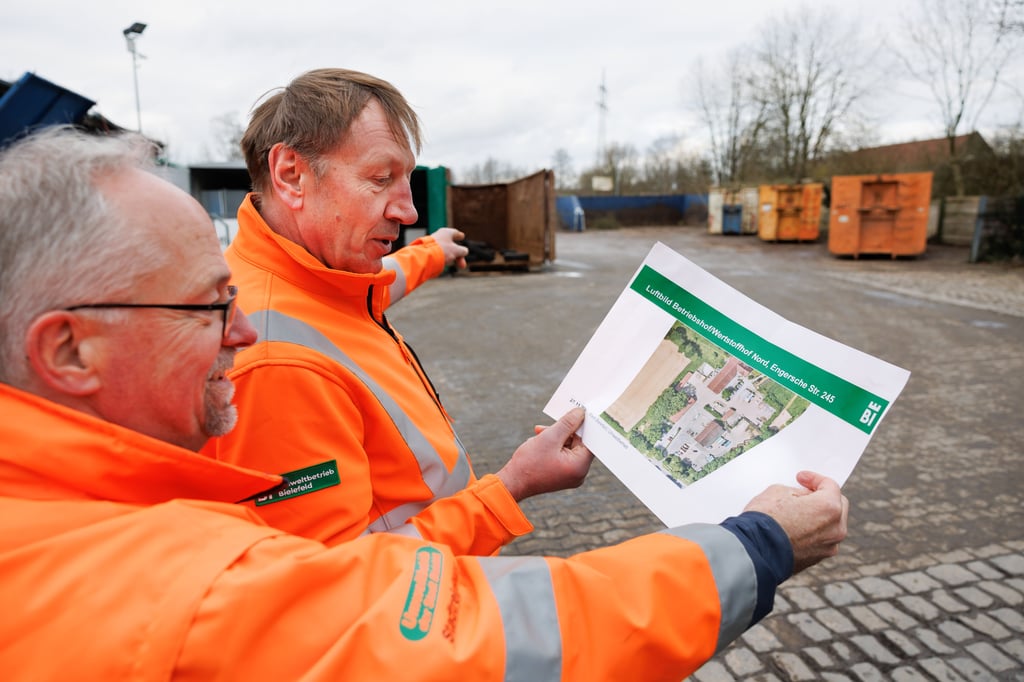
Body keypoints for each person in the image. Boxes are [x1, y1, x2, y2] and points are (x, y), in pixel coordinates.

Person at [0, 126, 849, 680]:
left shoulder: (54, 508)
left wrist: (436, 255)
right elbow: (475, 638)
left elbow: (379, 282)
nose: (243, 330)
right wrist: (759, 544)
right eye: (207, 307)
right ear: (68, 349)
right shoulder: (171, 585)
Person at [203, 68, 592, 553]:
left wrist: (434, 250)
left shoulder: (315, 276)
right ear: (291, 175)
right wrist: (511, 487)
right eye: (381, 178)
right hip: (426, 596)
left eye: (405, 179)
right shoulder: (274, 363)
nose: (408, 212)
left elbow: (377, 285)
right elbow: (339, 579)